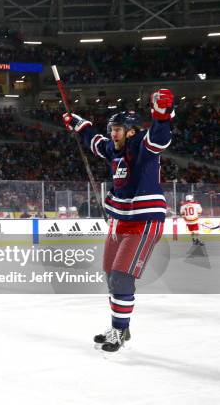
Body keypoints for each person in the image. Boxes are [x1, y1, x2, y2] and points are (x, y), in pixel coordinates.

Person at [62, 89, 173, 353]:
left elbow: (159, 137)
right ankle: (120, 326)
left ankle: (120, 330)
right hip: (119, 221)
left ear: (132, 132)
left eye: (118, 129)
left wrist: (162, 114)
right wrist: (77, 122)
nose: (113, 133)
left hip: (143, 221)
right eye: (112, 129)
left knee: (122, 278)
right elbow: (95, 141)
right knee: (111, 276)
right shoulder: (114, 149)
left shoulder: (144, 149)